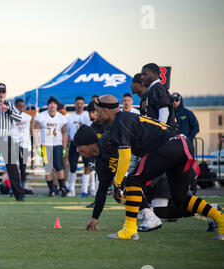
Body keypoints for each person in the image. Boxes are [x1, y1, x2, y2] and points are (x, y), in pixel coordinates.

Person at [94, 94, 223, 240]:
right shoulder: (126, 117)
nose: (96, 114)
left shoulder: (120, 122)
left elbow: (125, 156)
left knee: (132, 181)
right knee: (181, 198)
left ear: (106, 110)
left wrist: (117, 184)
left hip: (169, 146)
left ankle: (129, 229)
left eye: (97, 110)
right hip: (182, 144)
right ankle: (221, 220)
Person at [34, 96, 68, 196]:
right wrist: (37, 146)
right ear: (47, 105)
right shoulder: (41, 116)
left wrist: (64, 147)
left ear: (57, 106)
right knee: (48, 168)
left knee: (59, 166)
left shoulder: (61, 118)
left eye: (54, 103)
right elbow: (36, 131)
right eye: (50, 103)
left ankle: (62, 187)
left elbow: (65, 133)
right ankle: (51, 189)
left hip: (57, 144)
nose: (52, 105)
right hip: (45, 145)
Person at [172, 92, 200, 194]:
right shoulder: (170, 113)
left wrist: (188, 138)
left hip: (186, 146)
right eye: (173, 100)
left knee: (189, 166)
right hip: (174, 146)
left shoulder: (187, 113)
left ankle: (193, 187)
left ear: (180, 101)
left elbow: (196, 128)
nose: (174, 102)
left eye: (176, 100)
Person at [66, 96, 91, 197]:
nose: (79, 105)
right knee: (72, 166)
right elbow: (67, 133)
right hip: (73, 143)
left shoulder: (87, 116)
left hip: (85, 144)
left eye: (81, 103)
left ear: (84, 105)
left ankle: (85, 190)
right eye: (77, 103)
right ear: (74, 104)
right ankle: (71, 189)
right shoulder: (70, 117)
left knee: (87, 166)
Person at [140, 63, 176, 127]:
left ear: (154, 74)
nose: (142, 77)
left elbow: (164, 111)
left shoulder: (157, 88)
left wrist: (159, 130)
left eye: (145, 74)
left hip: (162, 134)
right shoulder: (154, 89)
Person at [12, 98, 32, 190]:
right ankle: (14, 188)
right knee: (14, 168)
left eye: (22, 107)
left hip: (24, 144)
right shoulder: (10, 116)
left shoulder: (27, 117)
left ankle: (22, 187)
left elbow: (30, 130)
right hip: (14, 143)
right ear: (15, 106)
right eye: (19, 107)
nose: (21, 109)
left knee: (23, 167)